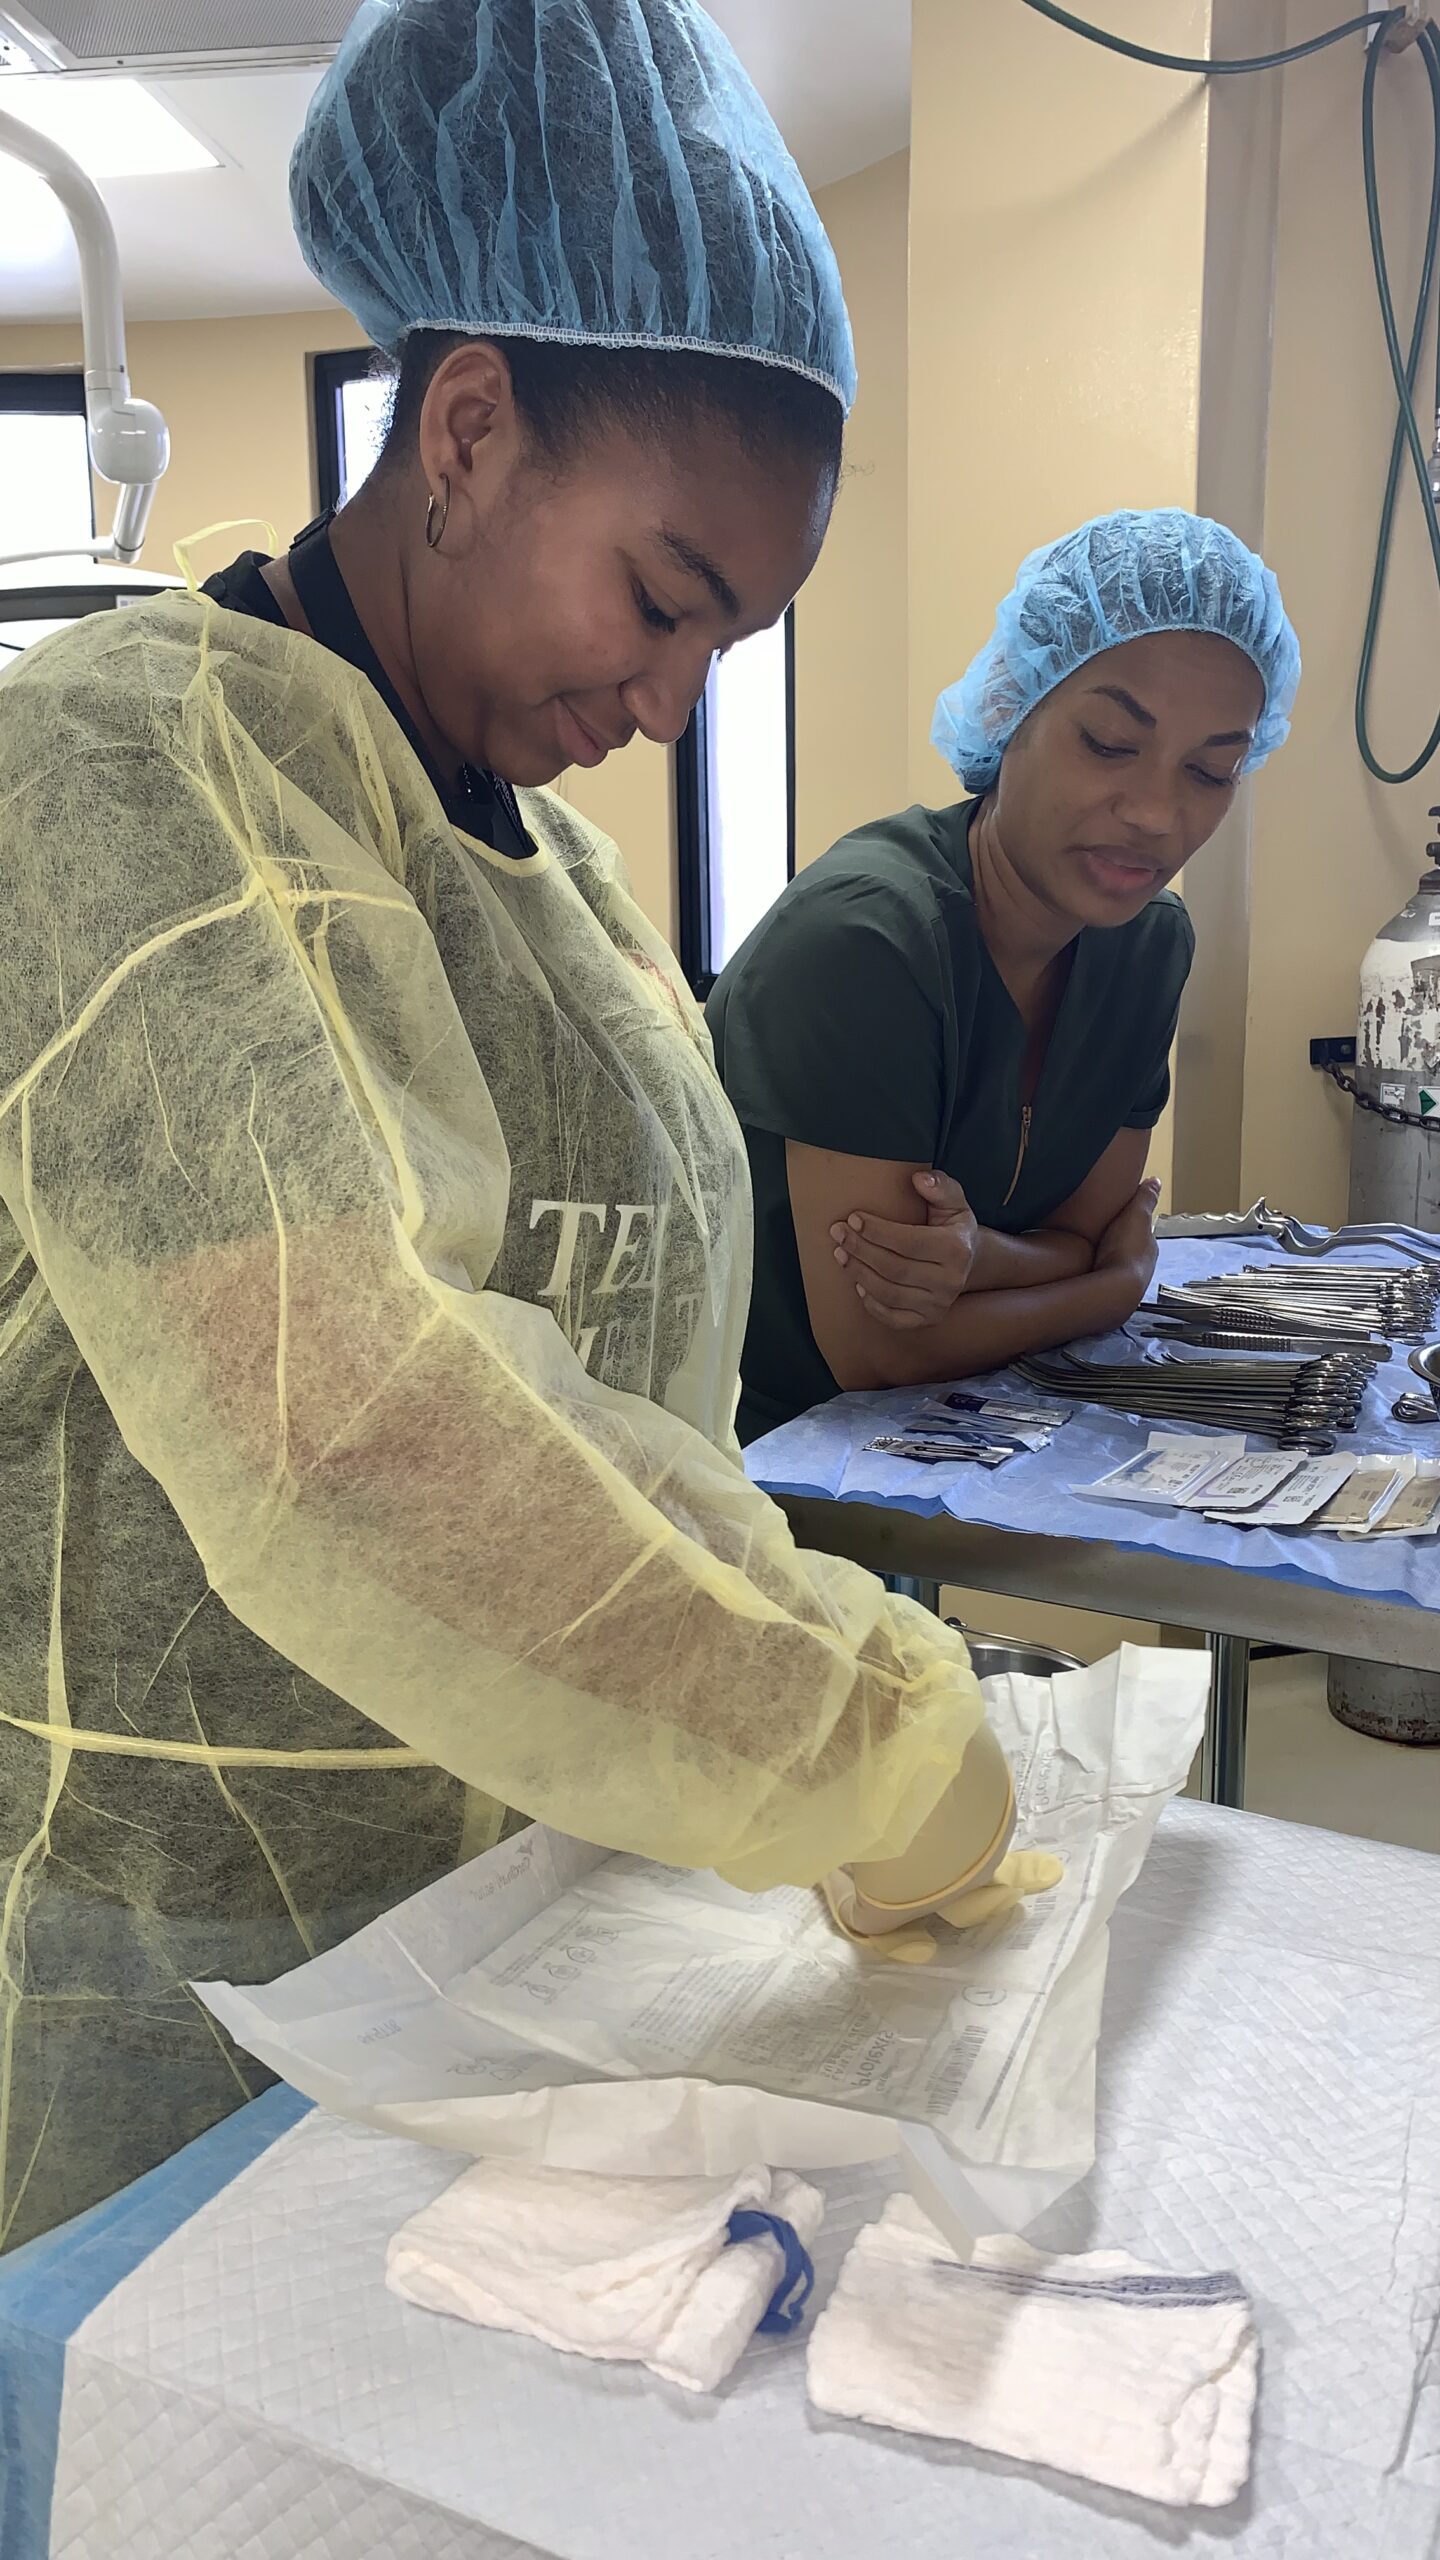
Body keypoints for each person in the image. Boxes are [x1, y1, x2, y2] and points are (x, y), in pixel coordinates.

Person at [0, 0, 992, 2255]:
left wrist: (813, 1670)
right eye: (662, 599)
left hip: (531, 1941)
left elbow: (628, 1409)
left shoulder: (561, 890)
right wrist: (840, 1732)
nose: (669, 701)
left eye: (727, 644)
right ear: (465, 426)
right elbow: (344, 1418)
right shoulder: (123, 779)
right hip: (183, 1985)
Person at [707, 509, 1300, 1445]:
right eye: (1109, 743)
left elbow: (1081, 1231)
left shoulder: (1146, 948)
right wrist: (1110, 1289)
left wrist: (980, 1259)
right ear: (1009, 708)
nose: (1156, 813)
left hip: (974, 1432)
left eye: (1211, 770)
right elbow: (877, 1352)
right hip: (767, 1460)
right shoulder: (866, 942)